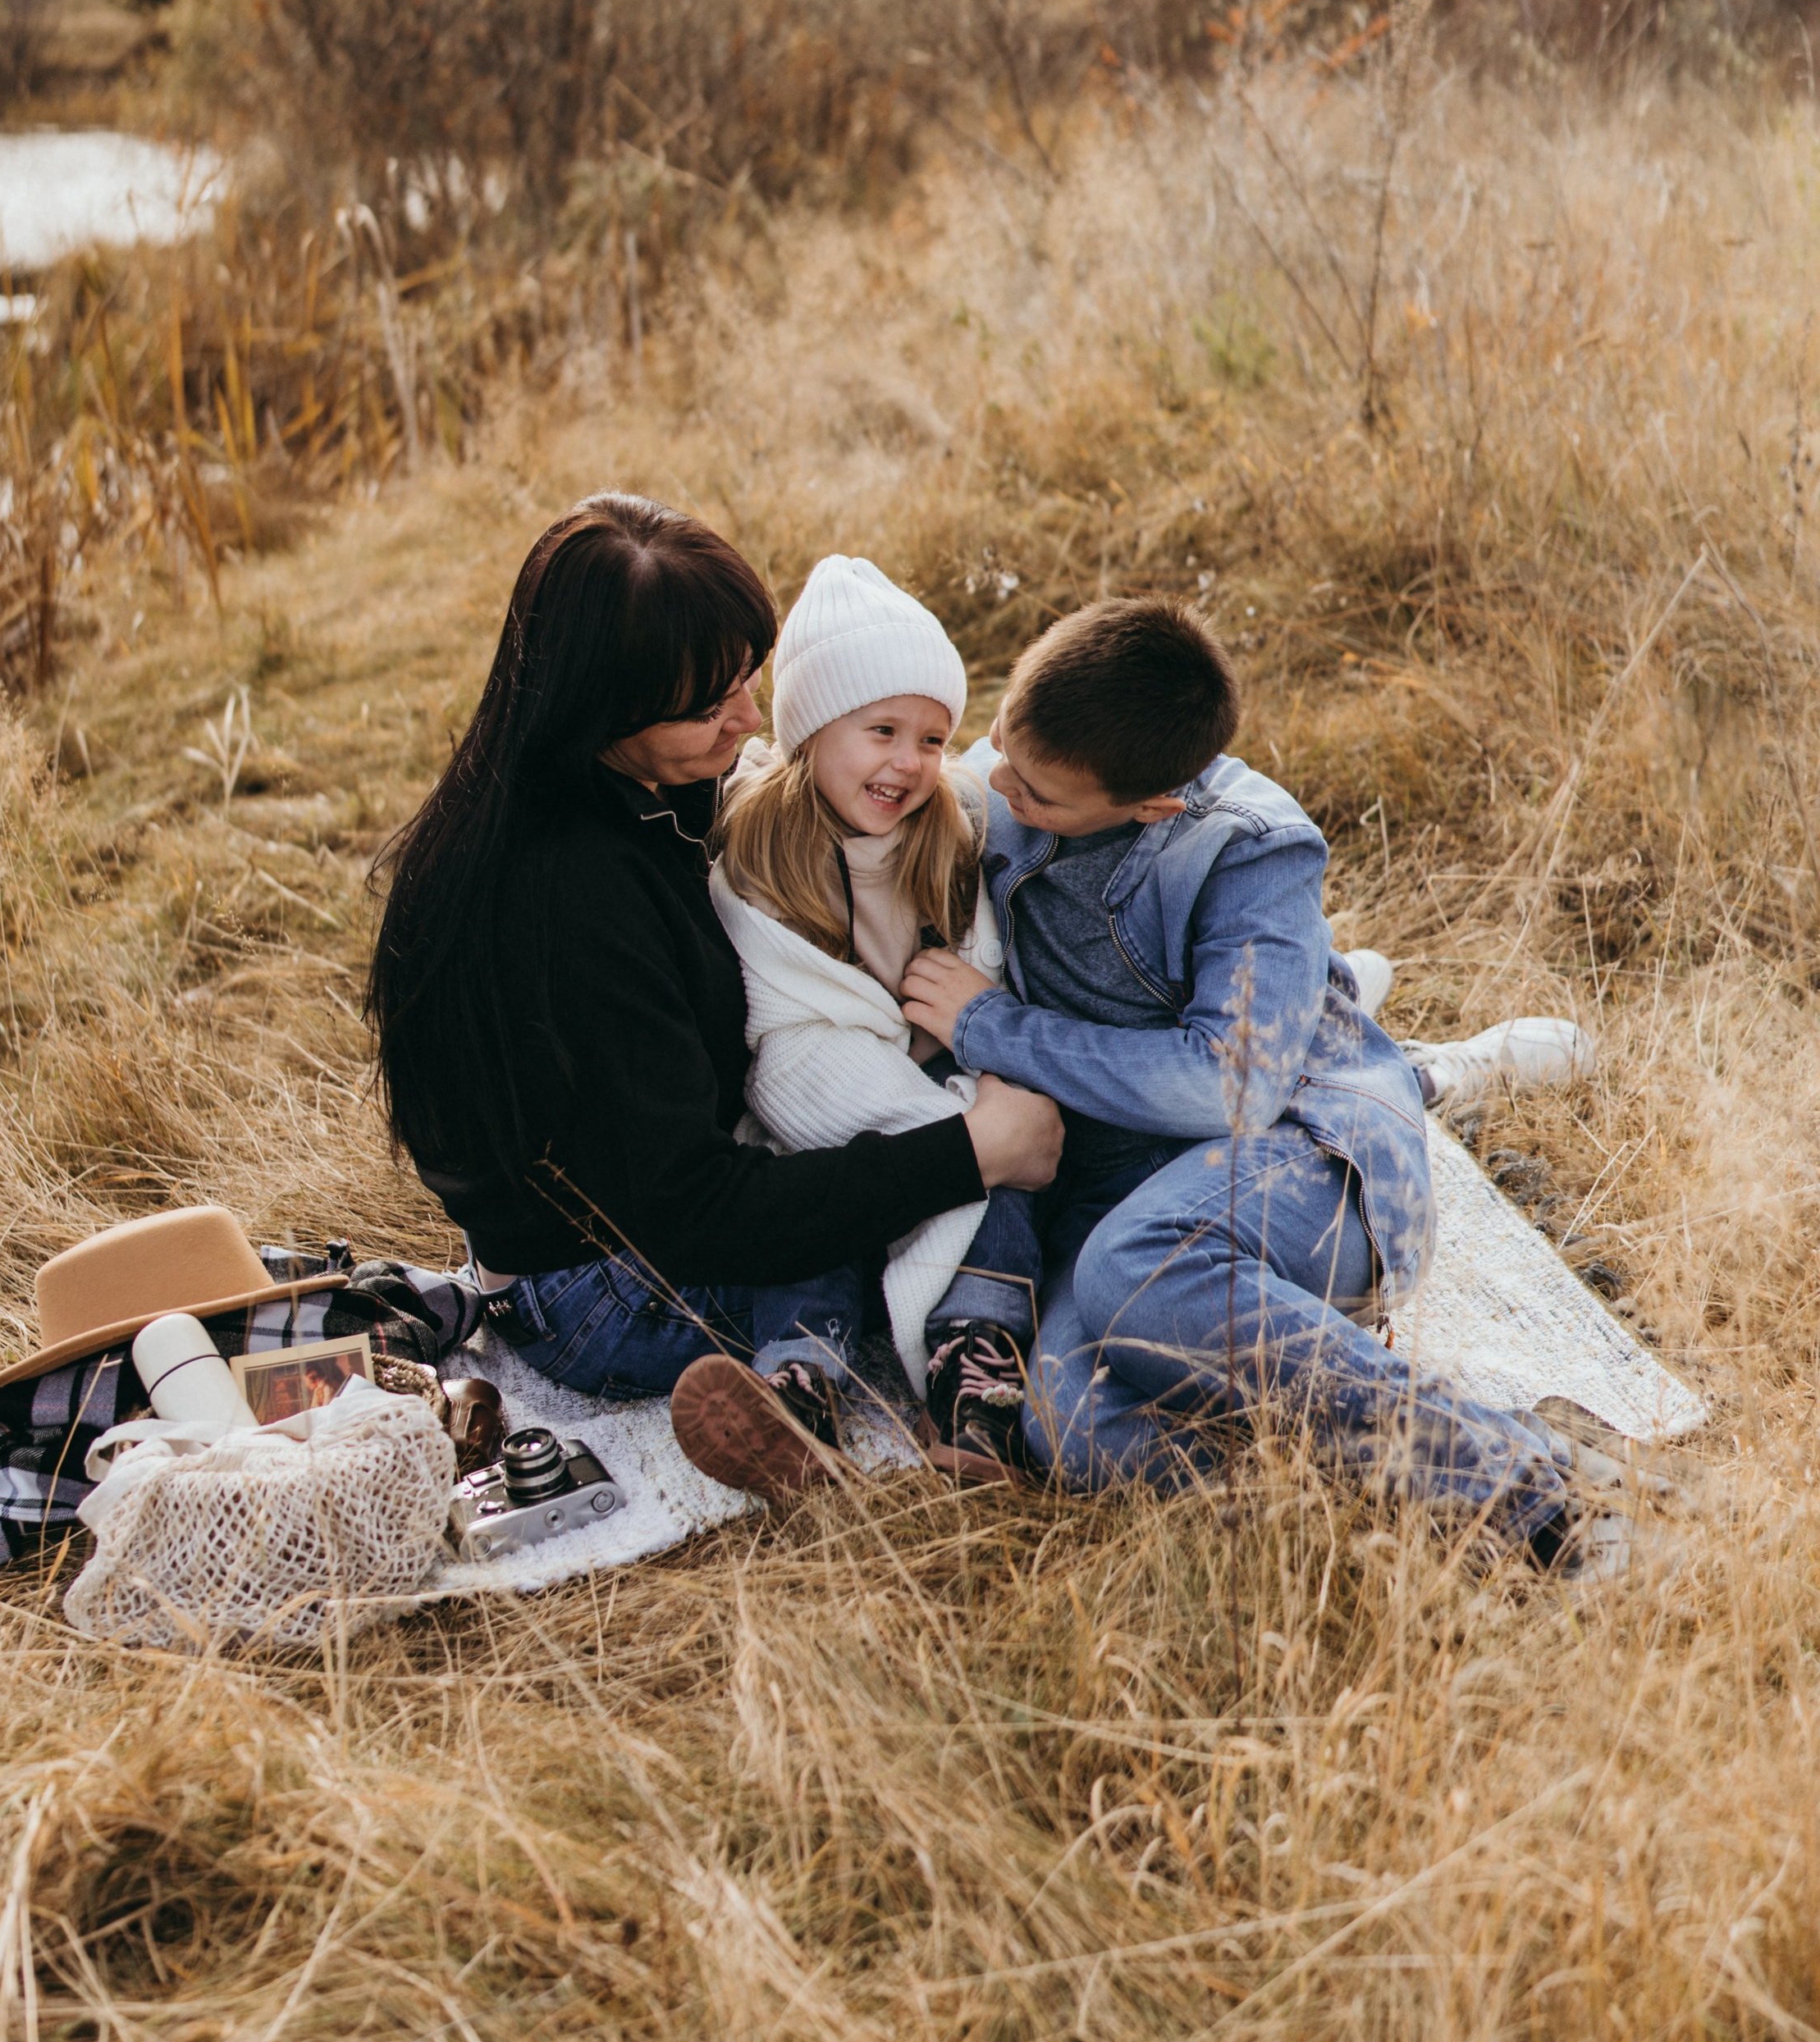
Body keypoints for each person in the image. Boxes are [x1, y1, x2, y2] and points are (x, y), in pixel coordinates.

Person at [364, 492, 1061, 1496]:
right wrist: (971, 1151)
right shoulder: (568, 900)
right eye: (709, 708)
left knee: (922, 1160)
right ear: (601, 706)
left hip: (607, 1231)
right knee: (980, 1201)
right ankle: (841, 1399)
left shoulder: (598, 784)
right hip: (608, 1294)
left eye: (747, 680)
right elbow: (695, 1209)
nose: (749, 720)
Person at [899, 596, 1589, 1560]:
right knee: (1070, 1433)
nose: (998, 784)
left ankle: (1520, 1484)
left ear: (1153, 806)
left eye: (1038, 795)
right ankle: (1370, 1529)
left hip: (1303, 1154)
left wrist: (989, 1024)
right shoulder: (1011, 769)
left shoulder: (1250, 847)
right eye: (1002, 742)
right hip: (1121, 1188)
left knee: (1127, 1272)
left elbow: (1224, 1090)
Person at [707, 555, 1046, 1486]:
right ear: (811, 733)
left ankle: (974, 1383)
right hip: (820, 1102)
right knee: (810, 1204)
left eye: (931, 739)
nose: (908, 762)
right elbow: (783, 1029)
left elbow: (990, 967)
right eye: (882, 730)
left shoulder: (951, 829)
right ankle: (794, 1391)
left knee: (1001, 1184)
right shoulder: (753, 850)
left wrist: (971, 1044)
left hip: (938, 1076)